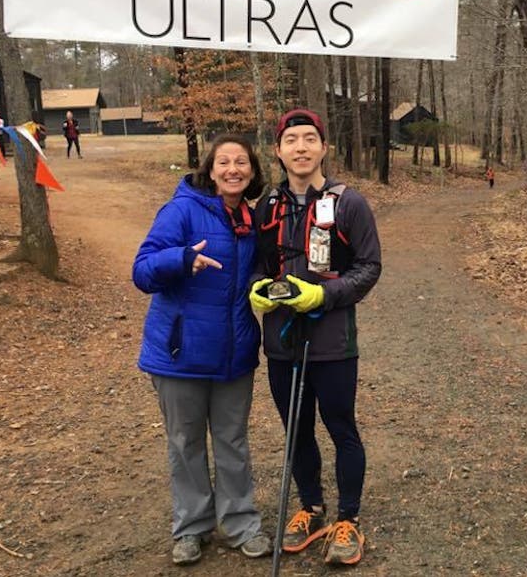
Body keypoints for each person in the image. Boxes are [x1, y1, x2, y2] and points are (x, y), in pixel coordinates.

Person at [250, 108, 381, 567]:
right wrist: (258, 289)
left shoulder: (349, 203)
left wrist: (322, 295)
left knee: (341, 425)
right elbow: (257, 265)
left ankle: (348, 518)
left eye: (309, 139)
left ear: (324, 147)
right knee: (296, 430)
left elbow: (369, 268)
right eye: (291, 140)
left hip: (333, 341)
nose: (301, 147)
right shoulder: (267, 206)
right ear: (279, 150)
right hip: (282, 342)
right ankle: (310, 508)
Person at [133, 135, 272, 566]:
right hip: (180, 353)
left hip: (235, 353)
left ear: (252, 172)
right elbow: (142, 270)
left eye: (242, 162)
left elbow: (260, 268)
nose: (233, 169)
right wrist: (180, 260)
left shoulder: (253, 218)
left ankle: (240, 524)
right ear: (210, 170)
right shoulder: (182, 210)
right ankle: (191, 527)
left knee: (232, 441)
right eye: (224, 162)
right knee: (185, 443)